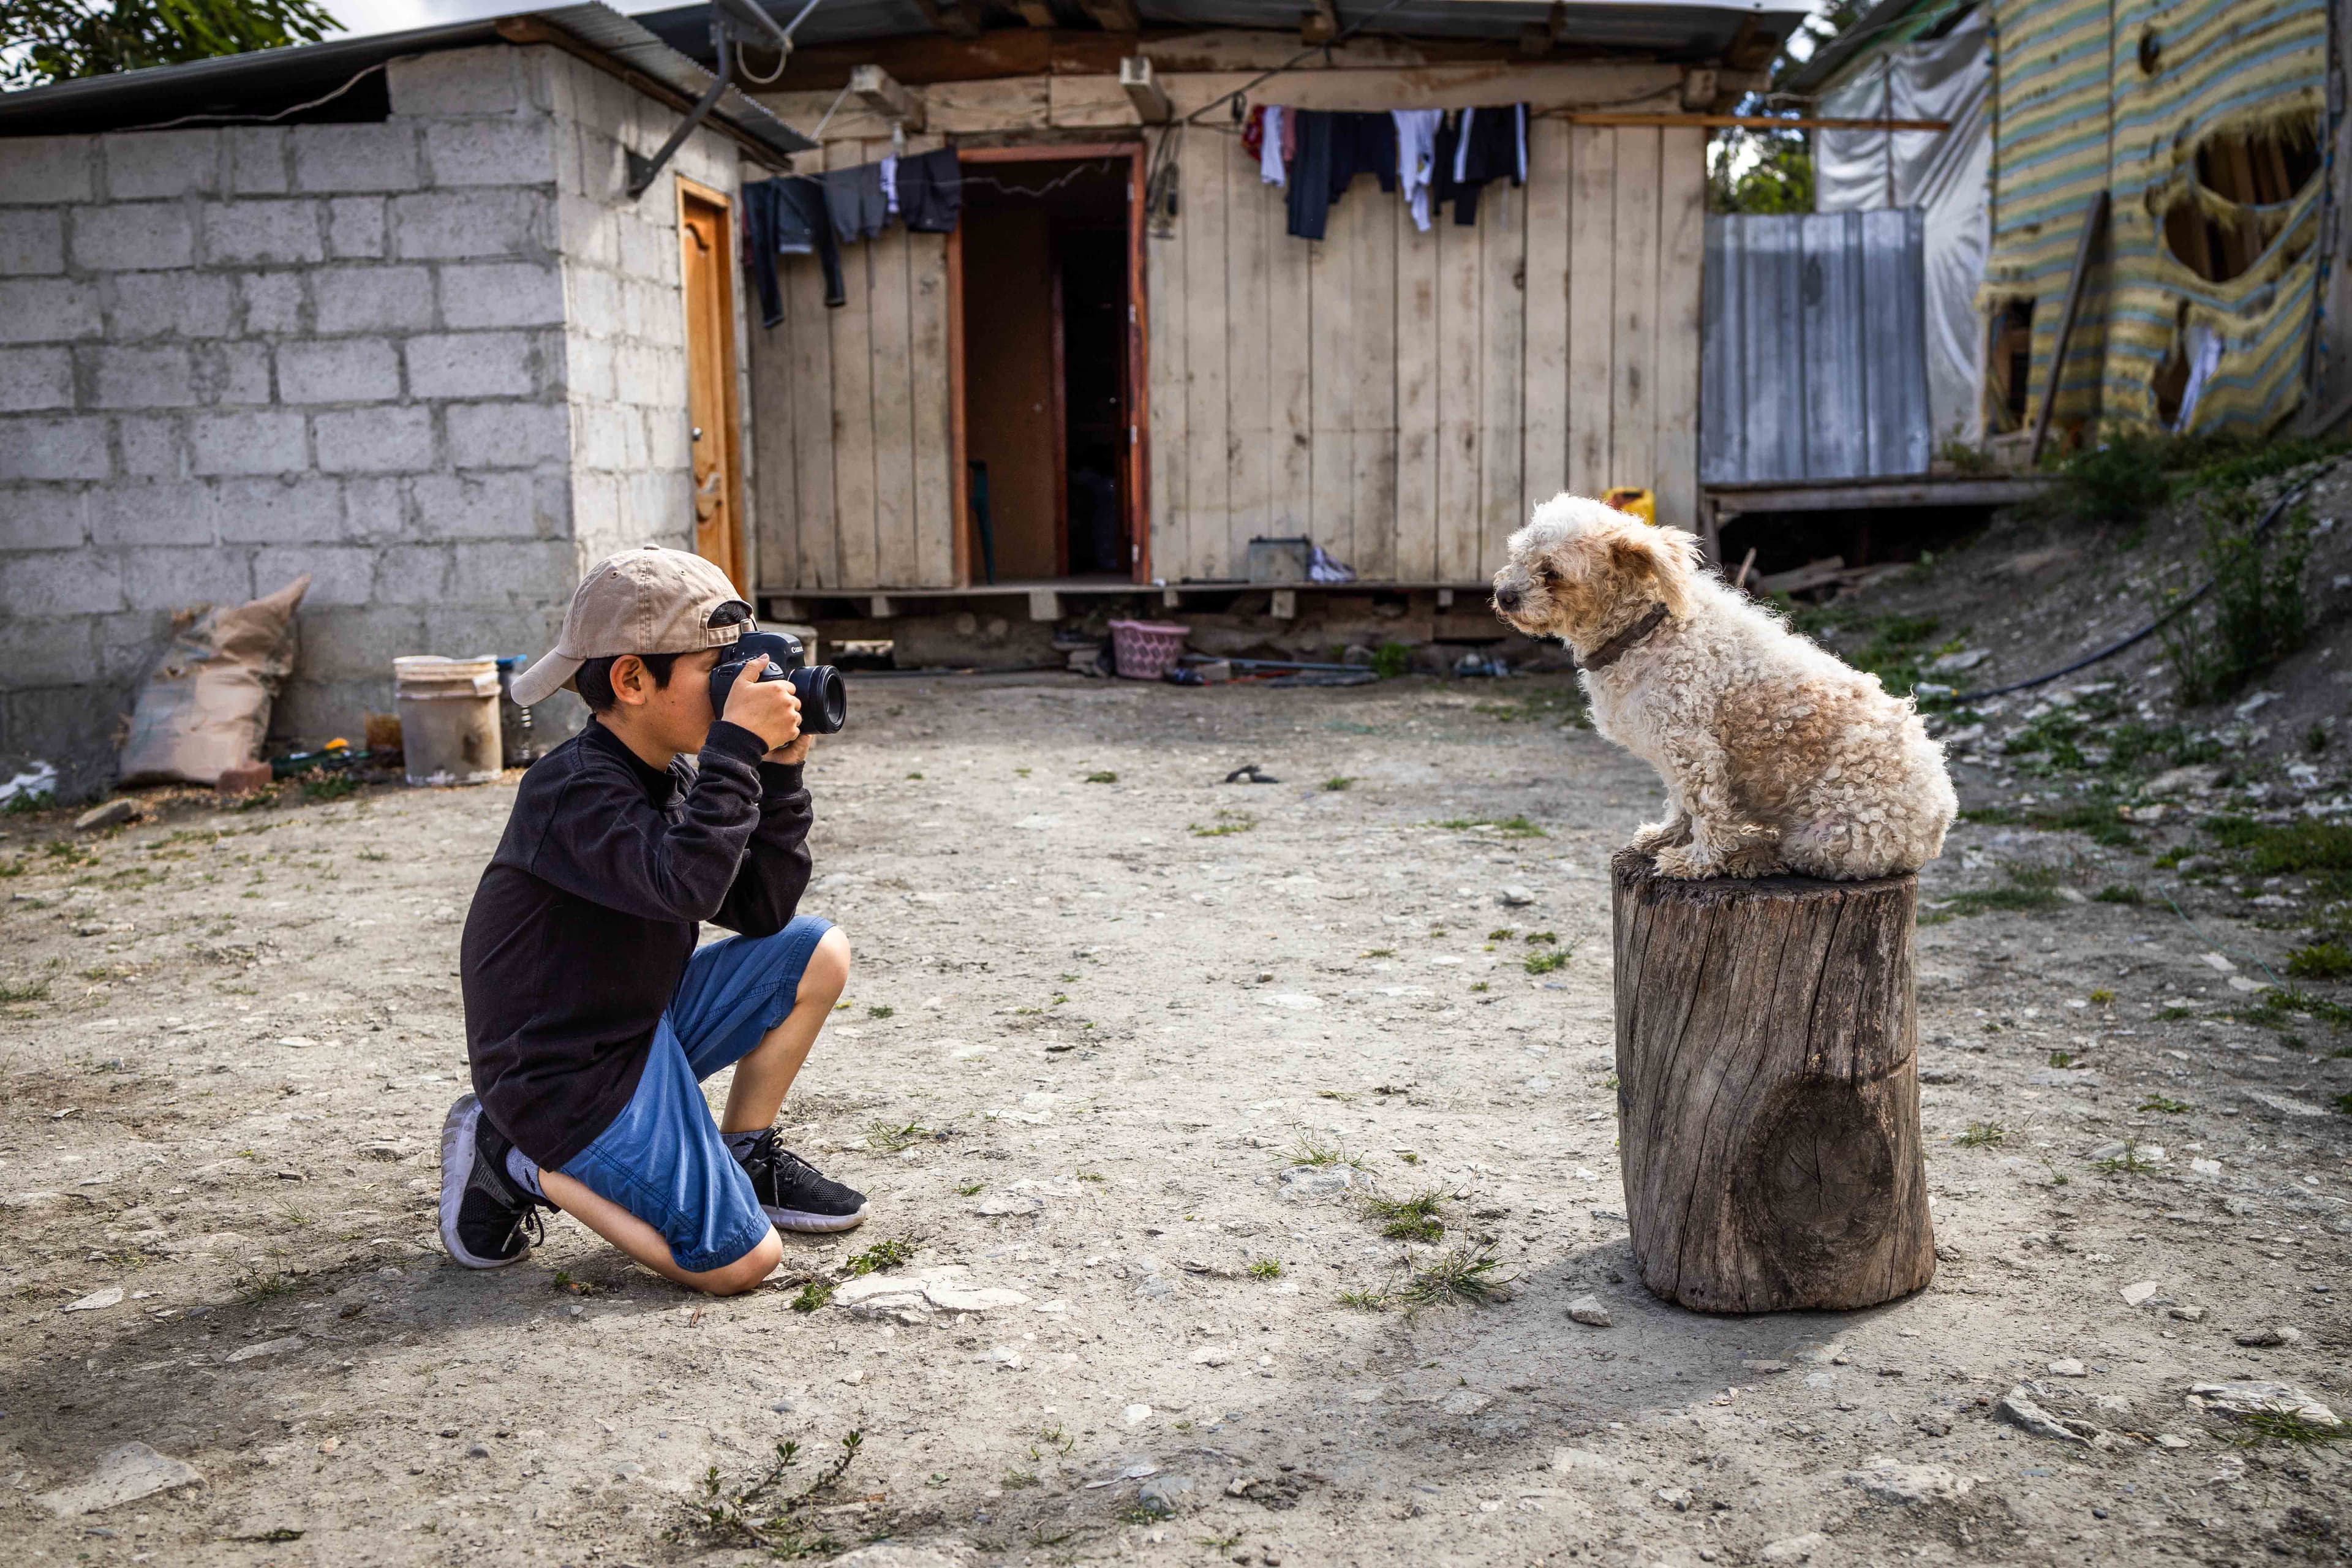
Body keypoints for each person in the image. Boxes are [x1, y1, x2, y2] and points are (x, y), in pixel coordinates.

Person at [439, 545, 865, 1296]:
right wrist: (736, 749)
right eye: (718, 671)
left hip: (637, 1024)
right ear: (634, 678)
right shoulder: (570, 789)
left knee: (815, 952)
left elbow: (763, 909)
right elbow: (684, 889)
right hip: (563, 1074)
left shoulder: (667, 772)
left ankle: (744, 1153)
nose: (743, 689)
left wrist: (781, 770)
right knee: (741, 1263)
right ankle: (515, 1159)